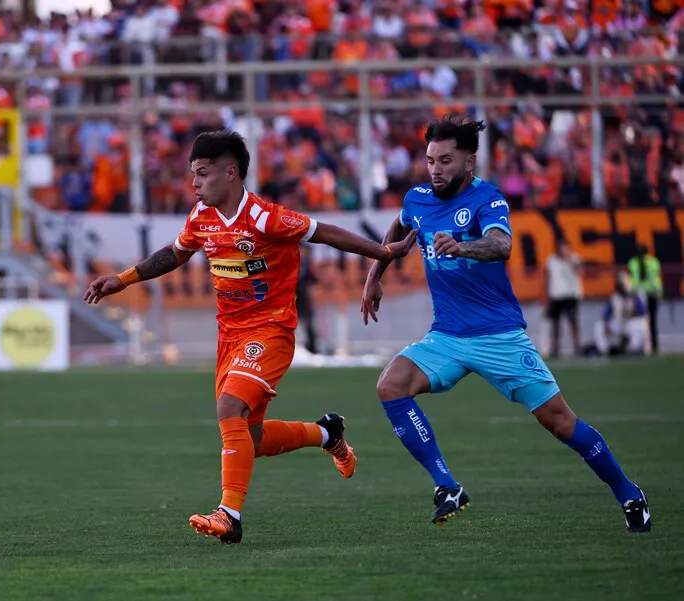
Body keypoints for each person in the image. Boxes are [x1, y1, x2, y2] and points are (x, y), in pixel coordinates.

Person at [84, 130, 417, 545]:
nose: (194, 183)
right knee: (251, 439)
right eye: (193, 175)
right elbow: (175, 253)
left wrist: (383, 254)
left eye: (202, 174)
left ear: (231, 172)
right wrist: (123, 278)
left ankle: (229, 514)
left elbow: (325, 231)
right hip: (230, 337)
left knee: (229, 408)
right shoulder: (200, 218)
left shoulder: (266, 217)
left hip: (272, 330)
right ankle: (327, 434)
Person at [360, 116, 650, 533]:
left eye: (446, 160)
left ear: (469, 161)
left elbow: (502, 244)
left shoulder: (487, 199)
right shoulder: (417, 198)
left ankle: (628, 493)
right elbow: (400, 228)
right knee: (390, 385)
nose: (436, 169)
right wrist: (374, 275)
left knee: (560, 422)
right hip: (447, 335)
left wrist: (462, 246)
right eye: (430, 160)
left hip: (499, 336)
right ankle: (447, 486)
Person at [594, 272, 649, 357]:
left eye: (624, 281)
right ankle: (604, 350)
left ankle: (634, 349)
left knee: (639, 324)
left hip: (631, 323)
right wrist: (606, 324)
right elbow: (606, 314)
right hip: (619, 323)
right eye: (620, 282)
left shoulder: (636, 295)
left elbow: (643, 313)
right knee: (599, 325)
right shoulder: (615, 297)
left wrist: (632, 311)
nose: (622, 284)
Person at [544, 239, 583, 357]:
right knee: (556, 323)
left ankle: (577, 346)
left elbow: (579, 270)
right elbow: (548, 278)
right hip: (556, 295)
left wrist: (568, 259)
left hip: (571, 295)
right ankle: (555, 348)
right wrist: (546, 295)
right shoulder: (551, 260)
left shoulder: (575, 258)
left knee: (573, 321)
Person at [627, 245, 662, 354]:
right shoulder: (654, 262)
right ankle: (654, 345)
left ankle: (645, 345)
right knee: (652, 321)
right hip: (653, 293)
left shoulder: (633, 262)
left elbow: (633, 280)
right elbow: (657, 277)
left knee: (642, 321)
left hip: (640, 294)